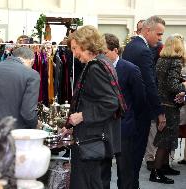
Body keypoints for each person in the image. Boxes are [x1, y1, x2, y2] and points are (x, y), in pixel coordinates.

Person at [66, 25, 122, 189]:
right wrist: (71, 125)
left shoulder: (96, 67)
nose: (74, 54)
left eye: (76, 48)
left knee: (86, 183)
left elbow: (111, 103)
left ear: (87, 45)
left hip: (91, 139)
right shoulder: (104, 63)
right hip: (96, 138)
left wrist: (82, 116)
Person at [122, 15, 166, 189]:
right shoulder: (143, 50)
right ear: (148, 31)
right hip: (139, 112)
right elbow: (150, 84)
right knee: (135, 156)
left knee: (129, 158)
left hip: (130, 109)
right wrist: (160, 112)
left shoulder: (132, 46)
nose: (160, 38)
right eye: (159, 34)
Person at [0, 46, 40, 161]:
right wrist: (36, 124)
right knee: (10, 177)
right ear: (31, 61)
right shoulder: (31, 75)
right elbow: (27, 113)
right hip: (13, 137)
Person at [103, 33, 146, 189]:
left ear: (115, 50)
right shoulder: (97, 68)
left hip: (124, 128)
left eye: (105, 52)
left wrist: (129, 116)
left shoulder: (130, 69)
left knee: (125, 171)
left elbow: (140, 99)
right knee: (103, 171)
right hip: (103, 127)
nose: (102, 56)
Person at [150, 34, 186, 184]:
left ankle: (164, 167)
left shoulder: (162, 60)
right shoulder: (176, 61)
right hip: (170, 105)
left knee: (165, 137)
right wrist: (183, 87)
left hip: (162, 103)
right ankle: (156, 172)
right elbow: (172, 85)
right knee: (165, 140)